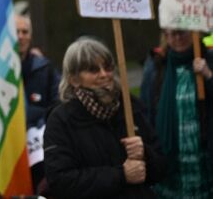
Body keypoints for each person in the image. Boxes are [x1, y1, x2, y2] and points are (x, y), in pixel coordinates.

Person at [44, 37, 167, 199]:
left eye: (108, 67)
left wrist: (145, 153)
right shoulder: (61, 120)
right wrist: (120, 175)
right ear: (74, 79)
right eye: (93, 70)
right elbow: (60, 182)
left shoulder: (131, 106)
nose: (104, 75)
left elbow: (162, 168)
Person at [0, 13, 59, 188]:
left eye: (25, 32)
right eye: (16, 31)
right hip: (3, 155)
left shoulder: (45, 68)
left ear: (30, 36)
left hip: (41, 155)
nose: (21, 36)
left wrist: (40, 127)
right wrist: (3, 131)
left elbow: (58, 105)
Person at [140, 28, 213, 198]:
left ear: (194, 33)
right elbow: (146, 112)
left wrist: (208, 76)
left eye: (182, 33)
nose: (177, 38)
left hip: (204, 161)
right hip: (169, 163)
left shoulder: (208, 60)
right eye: (171, 34)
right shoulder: (156, 66)